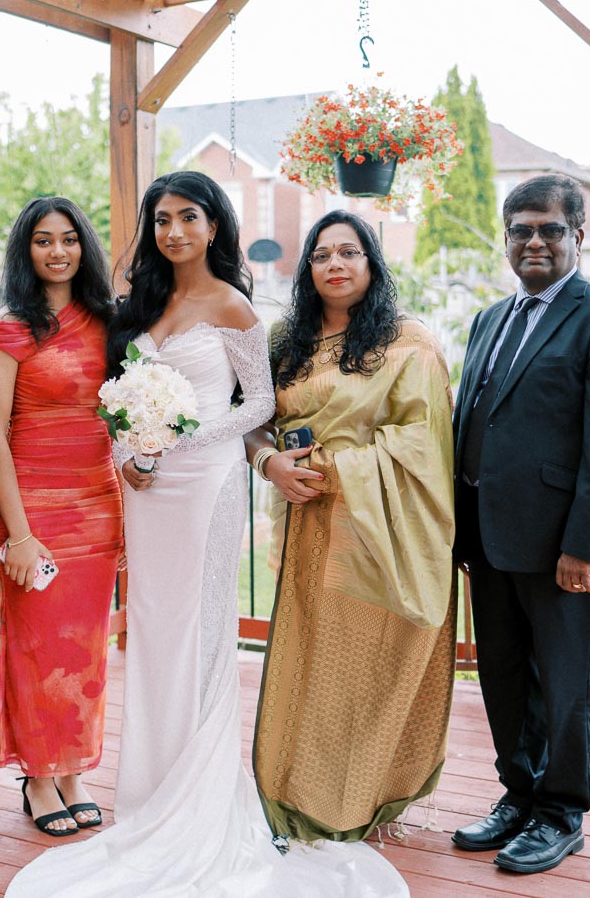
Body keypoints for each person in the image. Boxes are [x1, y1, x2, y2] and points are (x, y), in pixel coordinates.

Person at [5, 171, 406, 896]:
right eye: (161, 219)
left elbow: (256, 406)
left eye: (188, 217)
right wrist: (131, 449)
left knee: (199, 631)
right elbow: (115, 403)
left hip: (209, 483)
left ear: (213, 226)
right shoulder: (142, 304)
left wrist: (179, 437)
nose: (174, 231)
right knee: (154, 633)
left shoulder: (233, 304)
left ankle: (201, 802)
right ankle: (151, 797)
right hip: (149, 491)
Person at [450, 174, 590, 874]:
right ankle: (518, 796)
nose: (533, 242)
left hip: (565, 546)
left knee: (568, 686)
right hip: (488, 538)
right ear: (507, 238)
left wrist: (586, 546)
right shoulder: (489, 319)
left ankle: (562, 812)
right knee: (503, 678)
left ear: (578, 235)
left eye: (550, 230)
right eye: (521, 230)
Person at [244, 210, 457, 846]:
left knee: (364, 666)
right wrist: (270, 462)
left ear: (371, 264)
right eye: (321, 255)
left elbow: (423, 442)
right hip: (304, 522)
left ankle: (359, 798)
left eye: (349, 252)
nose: (335, 264)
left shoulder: (406, 342)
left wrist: (337, 469)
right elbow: (253, 418)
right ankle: (295, 792)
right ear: (307, 269)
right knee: (309, 664)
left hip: (377, 530)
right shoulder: (288, 341)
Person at [0, 197, 122, 837]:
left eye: (68, 239)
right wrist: (21, 532)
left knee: (85, 648)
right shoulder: (7, 328)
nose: (57, 251)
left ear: (83, 247)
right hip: (32, 507)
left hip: (97, 504)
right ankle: (38, 775)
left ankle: (73, 770)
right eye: (42, 240)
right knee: (37, 647)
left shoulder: (109, 324)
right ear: (25, 250)